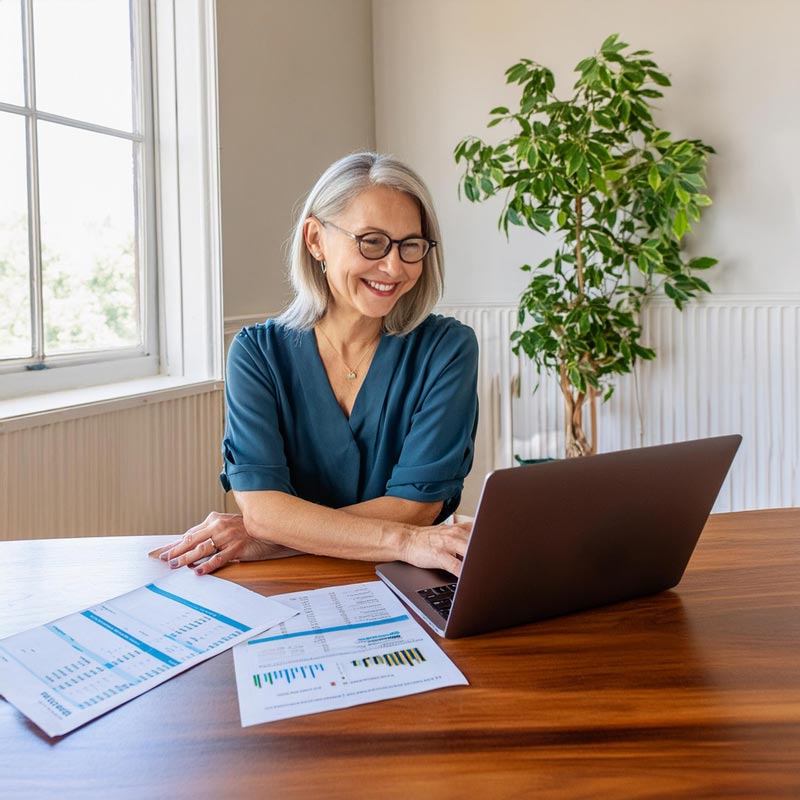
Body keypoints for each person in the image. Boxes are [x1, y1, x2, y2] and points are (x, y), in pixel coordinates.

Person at [156, 152, 479, 577]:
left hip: (408, 579)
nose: (394, 266)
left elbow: (415, 510)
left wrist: (270, 537)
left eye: (410, 245)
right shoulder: (257, 354)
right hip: (292, 584)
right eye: (372, 241)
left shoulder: (447, 349)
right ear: (315, 240)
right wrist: (400, 539)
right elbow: (265, 509)